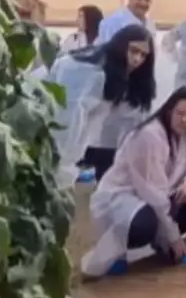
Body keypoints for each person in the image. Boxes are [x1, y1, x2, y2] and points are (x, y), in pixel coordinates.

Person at [79, 87, 186, 278]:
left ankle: (162, 243)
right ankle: (119, 250)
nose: (184, 120)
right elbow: (151, 190)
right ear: (169, 110)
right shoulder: (150, 135)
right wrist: (172, 235)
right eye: (180, 113)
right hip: (125, 197)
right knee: (144, 224)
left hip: (160, 196)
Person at [49, 23, 156, 187]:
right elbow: (66, 120)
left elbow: (135, 118)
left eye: (143, 55)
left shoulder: (119, 74)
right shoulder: (87, 70)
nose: (137, 59)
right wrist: (63, 164)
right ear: (120, 45)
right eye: (134, 51)